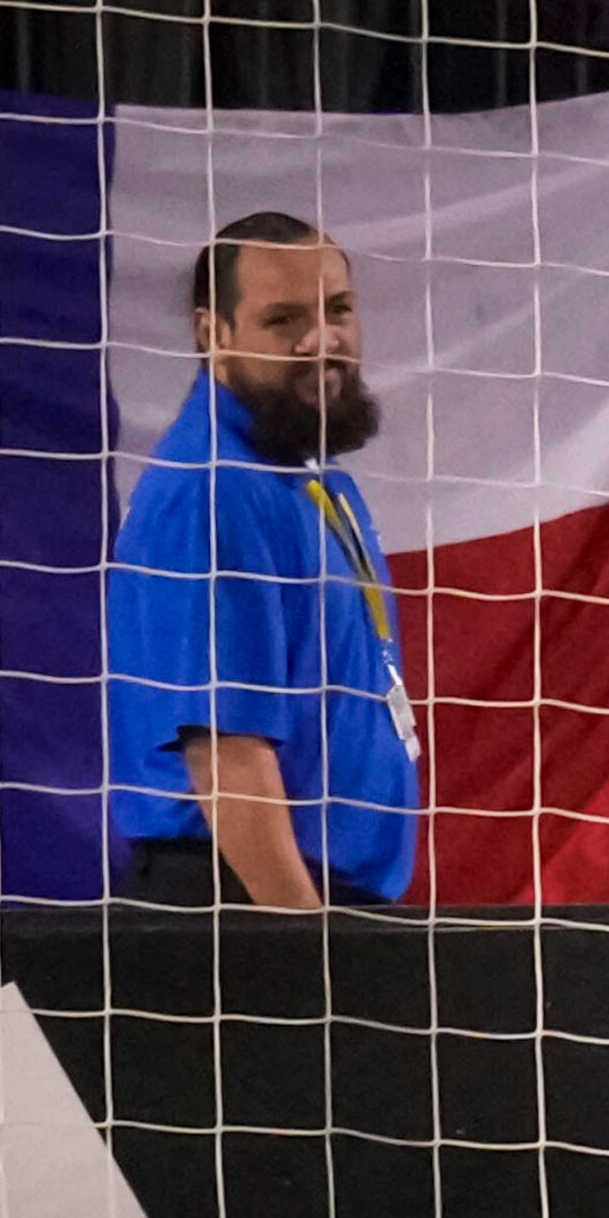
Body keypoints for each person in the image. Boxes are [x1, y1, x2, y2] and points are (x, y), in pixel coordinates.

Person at [107, 211, 419, 908]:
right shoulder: (215, 491)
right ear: (210, 333)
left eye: (337, 309)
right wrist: (313, 958)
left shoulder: (303, 467)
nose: (322, 341)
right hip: (245, 899)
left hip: (296, 895)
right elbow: (227, 757)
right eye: (283, 321)